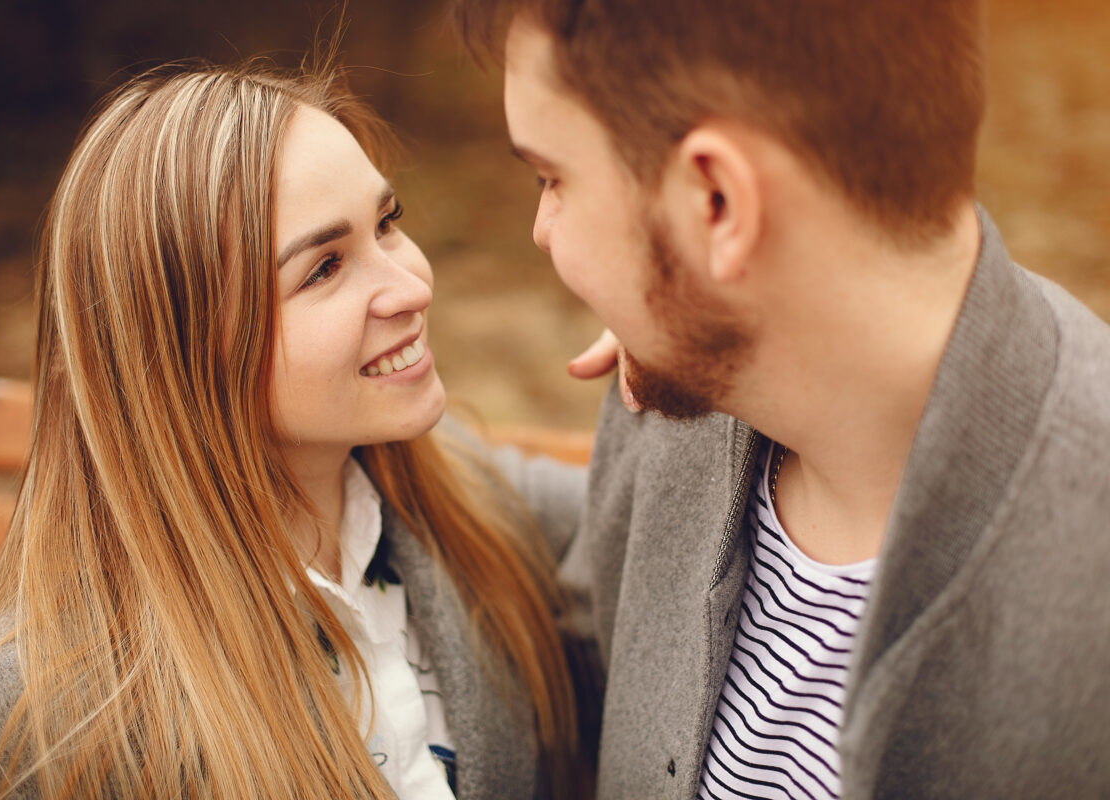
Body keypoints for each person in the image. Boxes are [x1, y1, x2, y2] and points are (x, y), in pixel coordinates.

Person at [452, 1, 1110, 798]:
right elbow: (584, 640)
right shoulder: (685, 379)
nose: (542, 228)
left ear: (717, 204)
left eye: (552, 177)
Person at [0, 58, 588, 800]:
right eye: (325, 268)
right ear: (180, 353)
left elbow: (663, 525)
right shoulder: (47, 709)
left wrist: (677, 329)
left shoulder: (457, 496)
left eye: (387, 224)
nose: (414, 285)